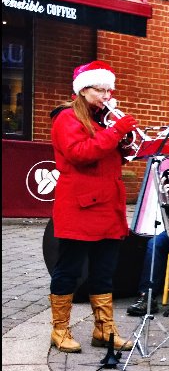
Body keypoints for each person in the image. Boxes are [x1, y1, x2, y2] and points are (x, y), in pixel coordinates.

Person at [48, 60, 138, 353]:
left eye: (109, 90)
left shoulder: (102, 119)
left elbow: (106, 157)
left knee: (104, 271)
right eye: (100, 90)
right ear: (83, 89)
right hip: (79, 206)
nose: (106, 96)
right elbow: (80, 154)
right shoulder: (66, 118)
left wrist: (125, 145)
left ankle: (104, 330)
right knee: (69, 271)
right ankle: (59, 330)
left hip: (107, 205)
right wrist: (115, 134)